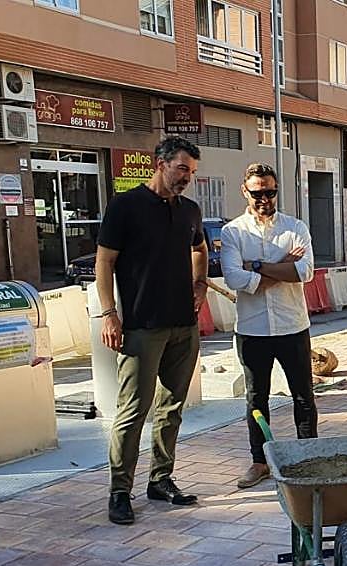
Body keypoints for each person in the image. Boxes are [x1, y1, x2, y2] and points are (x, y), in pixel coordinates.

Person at [95, 136, 208, 525]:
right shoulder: (125, 207)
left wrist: (200, 285)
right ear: (159, 163)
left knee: (172, 409)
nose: (187, 178)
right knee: (133, 412)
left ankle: (161, 479)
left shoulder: (190, 211)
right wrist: (109, 313)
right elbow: (104, 263)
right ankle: (119, 491)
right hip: (141, 327)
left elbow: (200, 248)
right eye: (181, 169)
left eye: (192, 172)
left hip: (183, 325)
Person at [220, 163, 317, 488]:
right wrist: (282, 266)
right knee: (255, 398)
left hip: (292, 326)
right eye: (258, 192)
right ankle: (259, 462)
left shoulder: (295, 228)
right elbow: (234, 277)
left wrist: (258, 267)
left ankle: (307, 458)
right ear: (245, 191)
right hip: (252, 330)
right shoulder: (233, 232)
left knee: (303, 395)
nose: (265, 198)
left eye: (270, 192)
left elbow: (305, 273)